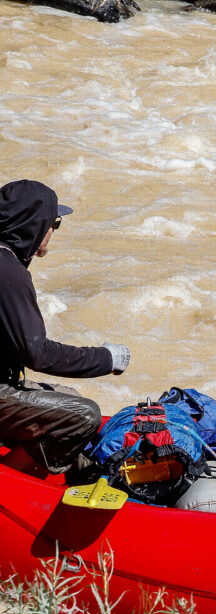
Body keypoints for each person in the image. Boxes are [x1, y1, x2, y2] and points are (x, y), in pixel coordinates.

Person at [0, 180, 129, 476]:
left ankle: (75, 470)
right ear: (34, 222)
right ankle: (15, 478)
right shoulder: (7, 272)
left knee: (69, 395)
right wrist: (106, 359)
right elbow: (38, 354)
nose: (54, 230)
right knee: (84, 414)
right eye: (54, 222)